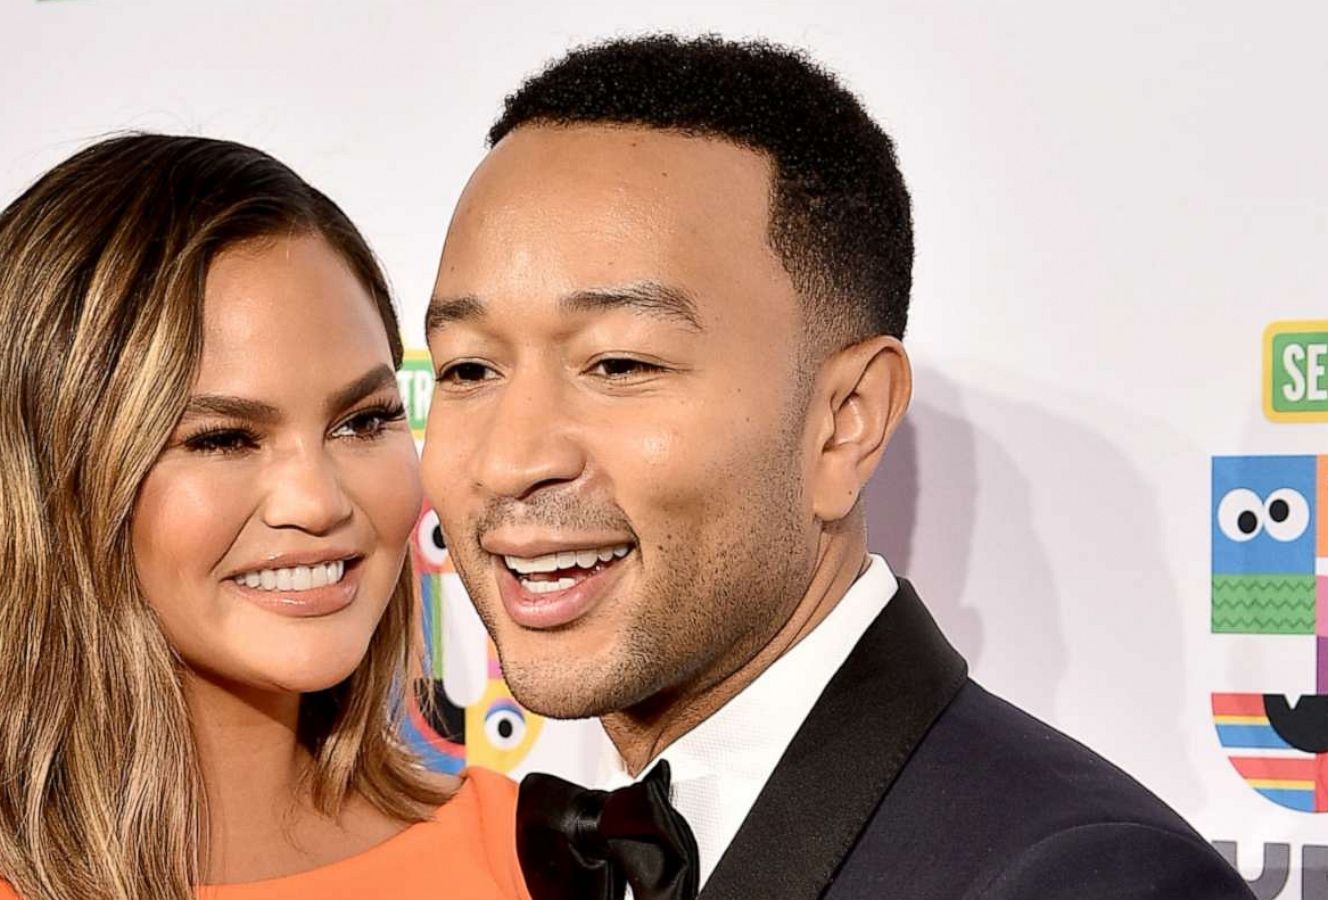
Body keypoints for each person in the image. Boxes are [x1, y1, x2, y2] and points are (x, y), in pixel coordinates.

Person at [420, 35, 1252, 900]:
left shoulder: (1084, 882)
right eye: (468, 369)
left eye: (620, 365)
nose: (512, 460)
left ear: (846, 423)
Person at [0, 135, 526, 900]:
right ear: (53, 483)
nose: (318, 501)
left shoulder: (533, 861)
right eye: (223, 438)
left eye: (362, 421)